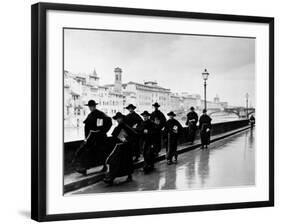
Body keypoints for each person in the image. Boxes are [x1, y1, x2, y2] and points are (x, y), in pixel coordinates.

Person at [74, 100, 112, 176]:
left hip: (99, 138)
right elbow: (87, 127)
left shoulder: (100, 114)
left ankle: (102, 166)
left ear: (94, 106)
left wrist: (102, 131)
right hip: (92, 137)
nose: (91, 108)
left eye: (92, 106)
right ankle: (85, 168)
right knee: (88, 151)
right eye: (90, 107)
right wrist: (86, 138)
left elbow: (108, 122)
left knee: (100, 152)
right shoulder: (90, 115)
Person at [104, 112, 136, 185]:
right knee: (113, 161)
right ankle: (111, 177)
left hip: (125, 148)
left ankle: (128, 175)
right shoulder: (116, 128)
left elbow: (133, 135)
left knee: (126, 162)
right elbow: (113, 138)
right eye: (117, 118)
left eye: (120, 118)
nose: (118, 120)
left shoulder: (126, 127)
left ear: (122, 119)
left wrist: (127, 141)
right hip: (118, 147)